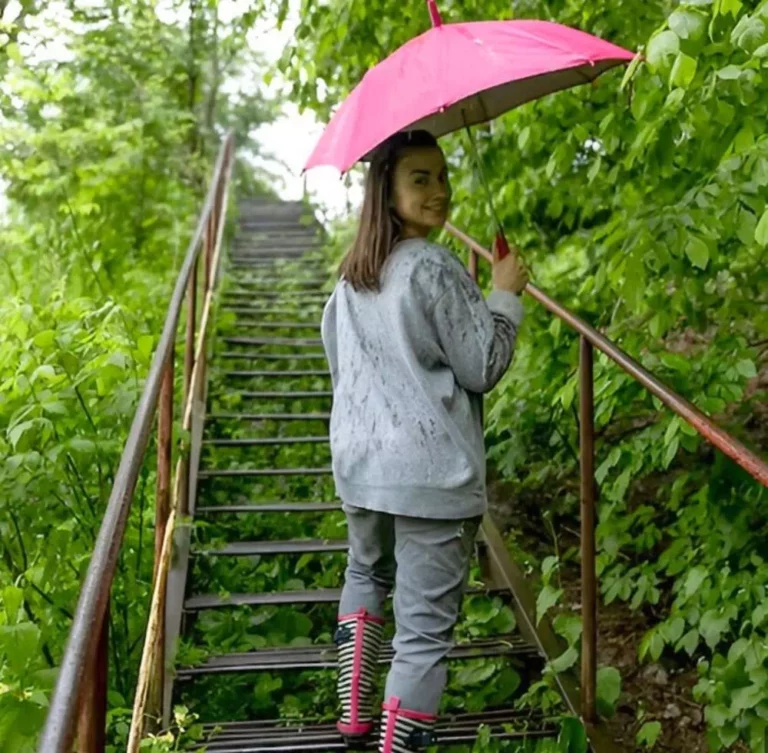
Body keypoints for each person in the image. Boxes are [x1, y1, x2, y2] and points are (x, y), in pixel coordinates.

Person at [320, 129, 529, 753]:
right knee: (424, 634)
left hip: (362, 465)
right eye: (420, 178)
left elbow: (340, 364)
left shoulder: (352, 276)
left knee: (364, 572)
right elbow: (482, 365)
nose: (439, 191)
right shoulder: (433, 266)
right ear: (384, 188)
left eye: (442, 177)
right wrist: (505, 295)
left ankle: (355, 720)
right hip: (429, 475)